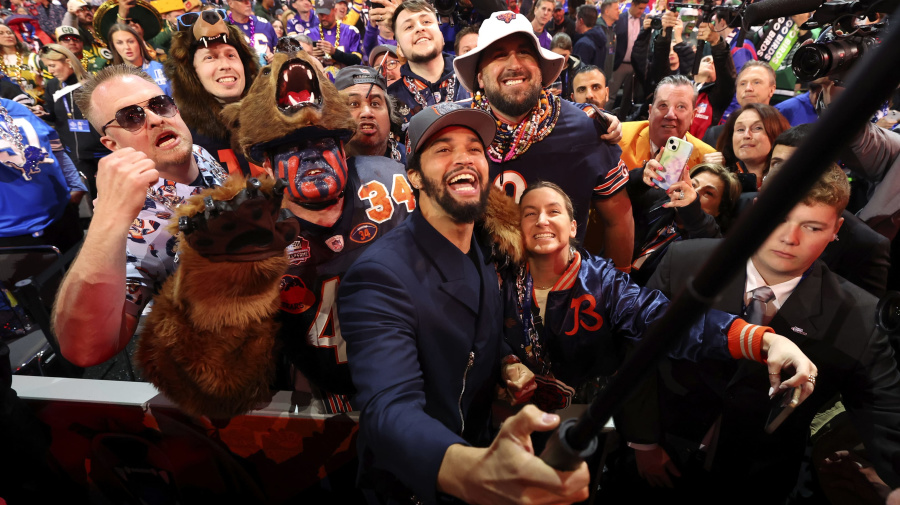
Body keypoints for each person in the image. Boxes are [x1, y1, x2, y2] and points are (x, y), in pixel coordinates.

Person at [337, 101, 591, 505]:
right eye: (442, 149)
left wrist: (506, 360)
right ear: (415, 177)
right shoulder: (379, 277)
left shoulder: (480, 245)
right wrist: (473, 472)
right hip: (416, 488)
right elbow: (388, 409)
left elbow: (473, 327)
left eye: (475, 148)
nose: (464, 159)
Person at [631, 164, 900, 503]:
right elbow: (637, 351)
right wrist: (643, 442)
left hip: (757, 483)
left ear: (836, 230)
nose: (790, 238)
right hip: (653, 457)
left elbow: (888, 417)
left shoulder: (857, 316)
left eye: (813, 226)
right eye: (779, 217)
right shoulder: (685, 262)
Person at [501, 179, 816, 415]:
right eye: (530, 214)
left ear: (572, 227)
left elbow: (665, 321)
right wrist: (506, 362)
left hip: (580, 419)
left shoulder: (602, 282)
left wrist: (765, 341)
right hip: (499, 419)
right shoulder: (499, 277)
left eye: (553, 211)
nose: (542, 220)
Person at [54, 65, 227, 373]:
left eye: (160, 105)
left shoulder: (199, 153)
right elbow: (84, 349)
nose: (156, 118)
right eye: (131, 117)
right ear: (112, 145)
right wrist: (107, 221)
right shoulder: (136, 226)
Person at [453, 10, 634, 268]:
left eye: (525, 52)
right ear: (480, 76)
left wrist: (617, 289)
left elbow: (619, 218)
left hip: (559, 294)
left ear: (540, 68)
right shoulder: (455, 129)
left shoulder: (586, 128)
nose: (514, 64)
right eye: (499, 54)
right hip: (477, 295)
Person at [751, 125, 891, 298]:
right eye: (777, 164)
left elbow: (862, 314)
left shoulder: (866, 244)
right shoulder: (743, 204)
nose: (785, 174)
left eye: (813, 228)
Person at [165, 8, 262, 176]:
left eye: (231, 55)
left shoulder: (277, 120)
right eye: (209, 57)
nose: (225, 65)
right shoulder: (181, 138)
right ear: (191, 73)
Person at [0, 97, 87, 254]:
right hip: (12, 235)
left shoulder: (14, 108)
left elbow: (55, 148)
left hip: (62, 217)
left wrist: (76, 185)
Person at [40, 43, 109, 199]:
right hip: (74, 155)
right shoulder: (52, 86)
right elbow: (52, 113)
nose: (50, 71)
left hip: (102, 152)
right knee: (91, 200)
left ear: (69, 61)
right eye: (47, 67)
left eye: (52, 65)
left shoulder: (92, 83)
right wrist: (42, 113)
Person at [386, 0, 470, 126]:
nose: (420, 28)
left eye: (426, 22)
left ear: (441, 37)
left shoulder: (473, 80)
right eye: (409, 27)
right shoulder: (389, 100)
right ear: (400, 49)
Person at [618, 75, 716, 172]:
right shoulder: (619, 138)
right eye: (663, 105)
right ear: (650, 111)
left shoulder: (706, 162)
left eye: (681, 107)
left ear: (692, 116)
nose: (670, 115)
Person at [710, 102, 790, 192]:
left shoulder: (790, 175)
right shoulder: (724, 177)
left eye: (757, 128)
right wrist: (711, 173)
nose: (746, 135)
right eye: (740, 129)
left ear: (776, 133)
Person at [335, 64, 405, 163]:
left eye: (375, 104)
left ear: (390, 115)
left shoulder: (412, 162)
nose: (367, 113)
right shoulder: (319, 165)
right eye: (353, 104)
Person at [703, 60, 776, 147]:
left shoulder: (783, 133)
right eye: (743, 83)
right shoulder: (713, 135)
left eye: (756, 82)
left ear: (771, 89)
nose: (748, 88)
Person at [107, 23, 171, 94]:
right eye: (119, 43)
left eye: (131, 41)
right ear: (114, 47)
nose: (127, 47)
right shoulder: (113, 80)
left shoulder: (160, 69)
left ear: (139, 42)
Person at [307, 0, 362, 80]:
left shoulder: (351, 31)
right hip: (319, 83)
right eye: (320, 14)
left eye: (326, 13)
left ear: (335, 10)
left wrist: (335, 52)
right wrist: (310, 56)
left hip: (346, 82)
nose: (323, 17)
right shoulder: (309, 34)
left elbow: (357, 61)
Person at [608, 0, 645, 109]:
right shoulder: (619, 18)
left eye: (643, 8)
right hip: (619, 64)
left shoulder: (644, 20)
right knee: (610, 96)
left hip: (636, 66)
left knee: (629, 98)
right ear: (633, 4)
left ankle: (624, 120)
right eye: (640, 8)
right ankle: (602, 119)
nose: (641, 11)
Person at [0, 21, 43, 104]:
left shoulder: (33, 58)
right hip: (10, 108)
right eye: (1, 33)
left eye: (9, 32)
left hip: (39, 105)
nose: (8, 35)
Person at [226, 0, 277, 64]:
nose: (248, 4)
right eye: (243, 1)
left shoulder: (265, 24)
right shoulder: (224, 27)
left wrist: (275, 57)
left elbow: (278, 50)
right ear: (231, 3)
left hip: (266, 71)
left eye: (249, 1)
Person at [572, 2, 613, 77]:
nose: (575, 22)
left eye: (576, 19)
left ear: (581, 21)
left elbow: (579, 73)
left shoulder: (583, 44)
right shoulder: (600, 38)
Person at [550, 31, 581, 99]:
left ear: (570, 51)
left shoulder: (580, 69)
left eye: (564, 55)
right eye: (556, 55)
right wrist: (546, 95)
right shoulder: (544, 69)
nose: (560, 59)